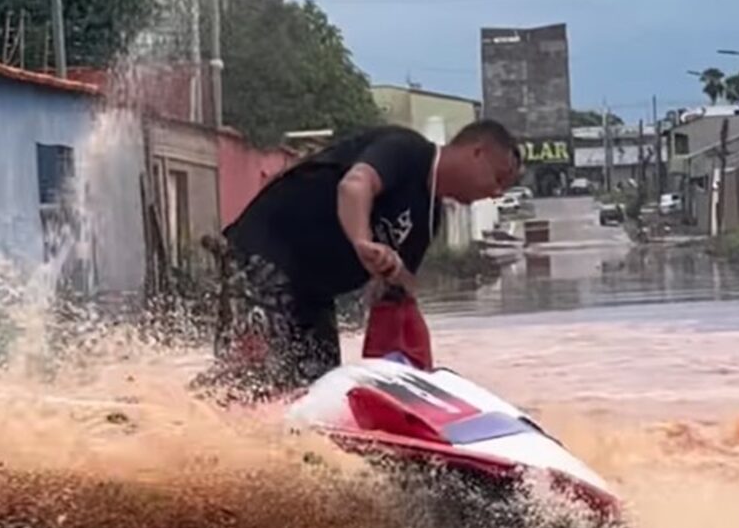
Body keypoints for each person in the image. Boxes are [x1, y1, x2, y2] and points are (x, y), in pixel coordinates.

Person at [194, 120, 520, 404]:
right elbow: (354, 185)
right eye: (498, 178)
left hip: (312, 294)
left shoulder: (430, 219)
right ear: (476, 152)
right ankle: (171, 419)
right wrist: (363, 242)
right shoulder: (408, 151)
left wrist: (393, 273)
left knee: (318, 388)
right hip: (261, 256)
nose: (495, 193)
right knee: (247, 370)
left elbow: (400, 287)